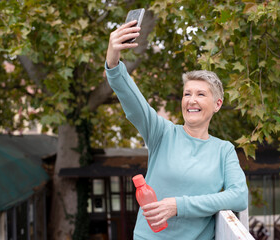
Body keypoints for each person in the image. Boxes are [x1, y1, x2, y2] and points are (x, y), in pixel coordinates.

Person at [105, 20, 248, 240]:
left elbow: (239, 196)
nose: (191, 100)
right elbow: (133, 100)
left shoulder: (224, 150)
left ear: (218, 104)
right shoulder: (162, 133)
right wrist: (113, 61)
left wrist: (179, 205)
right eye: (187, 94)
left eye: (201, 94)